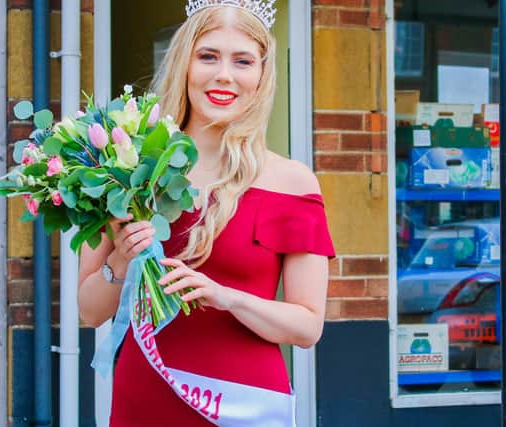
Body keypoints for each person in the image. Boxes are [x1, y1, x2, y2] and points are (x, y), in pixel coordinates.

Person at [78, 2, 335, 426]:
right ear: (184, 63)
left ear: (262, 74)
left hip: (242, 403)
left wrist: (225, 296)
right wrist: (121, 260)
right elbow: (89, 312)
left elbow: (307, 327)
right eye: (208, 56)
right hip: (147, 395)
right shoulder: (126, 169)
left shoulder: (293, 182)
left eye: (243, 61)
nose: (224, 75)